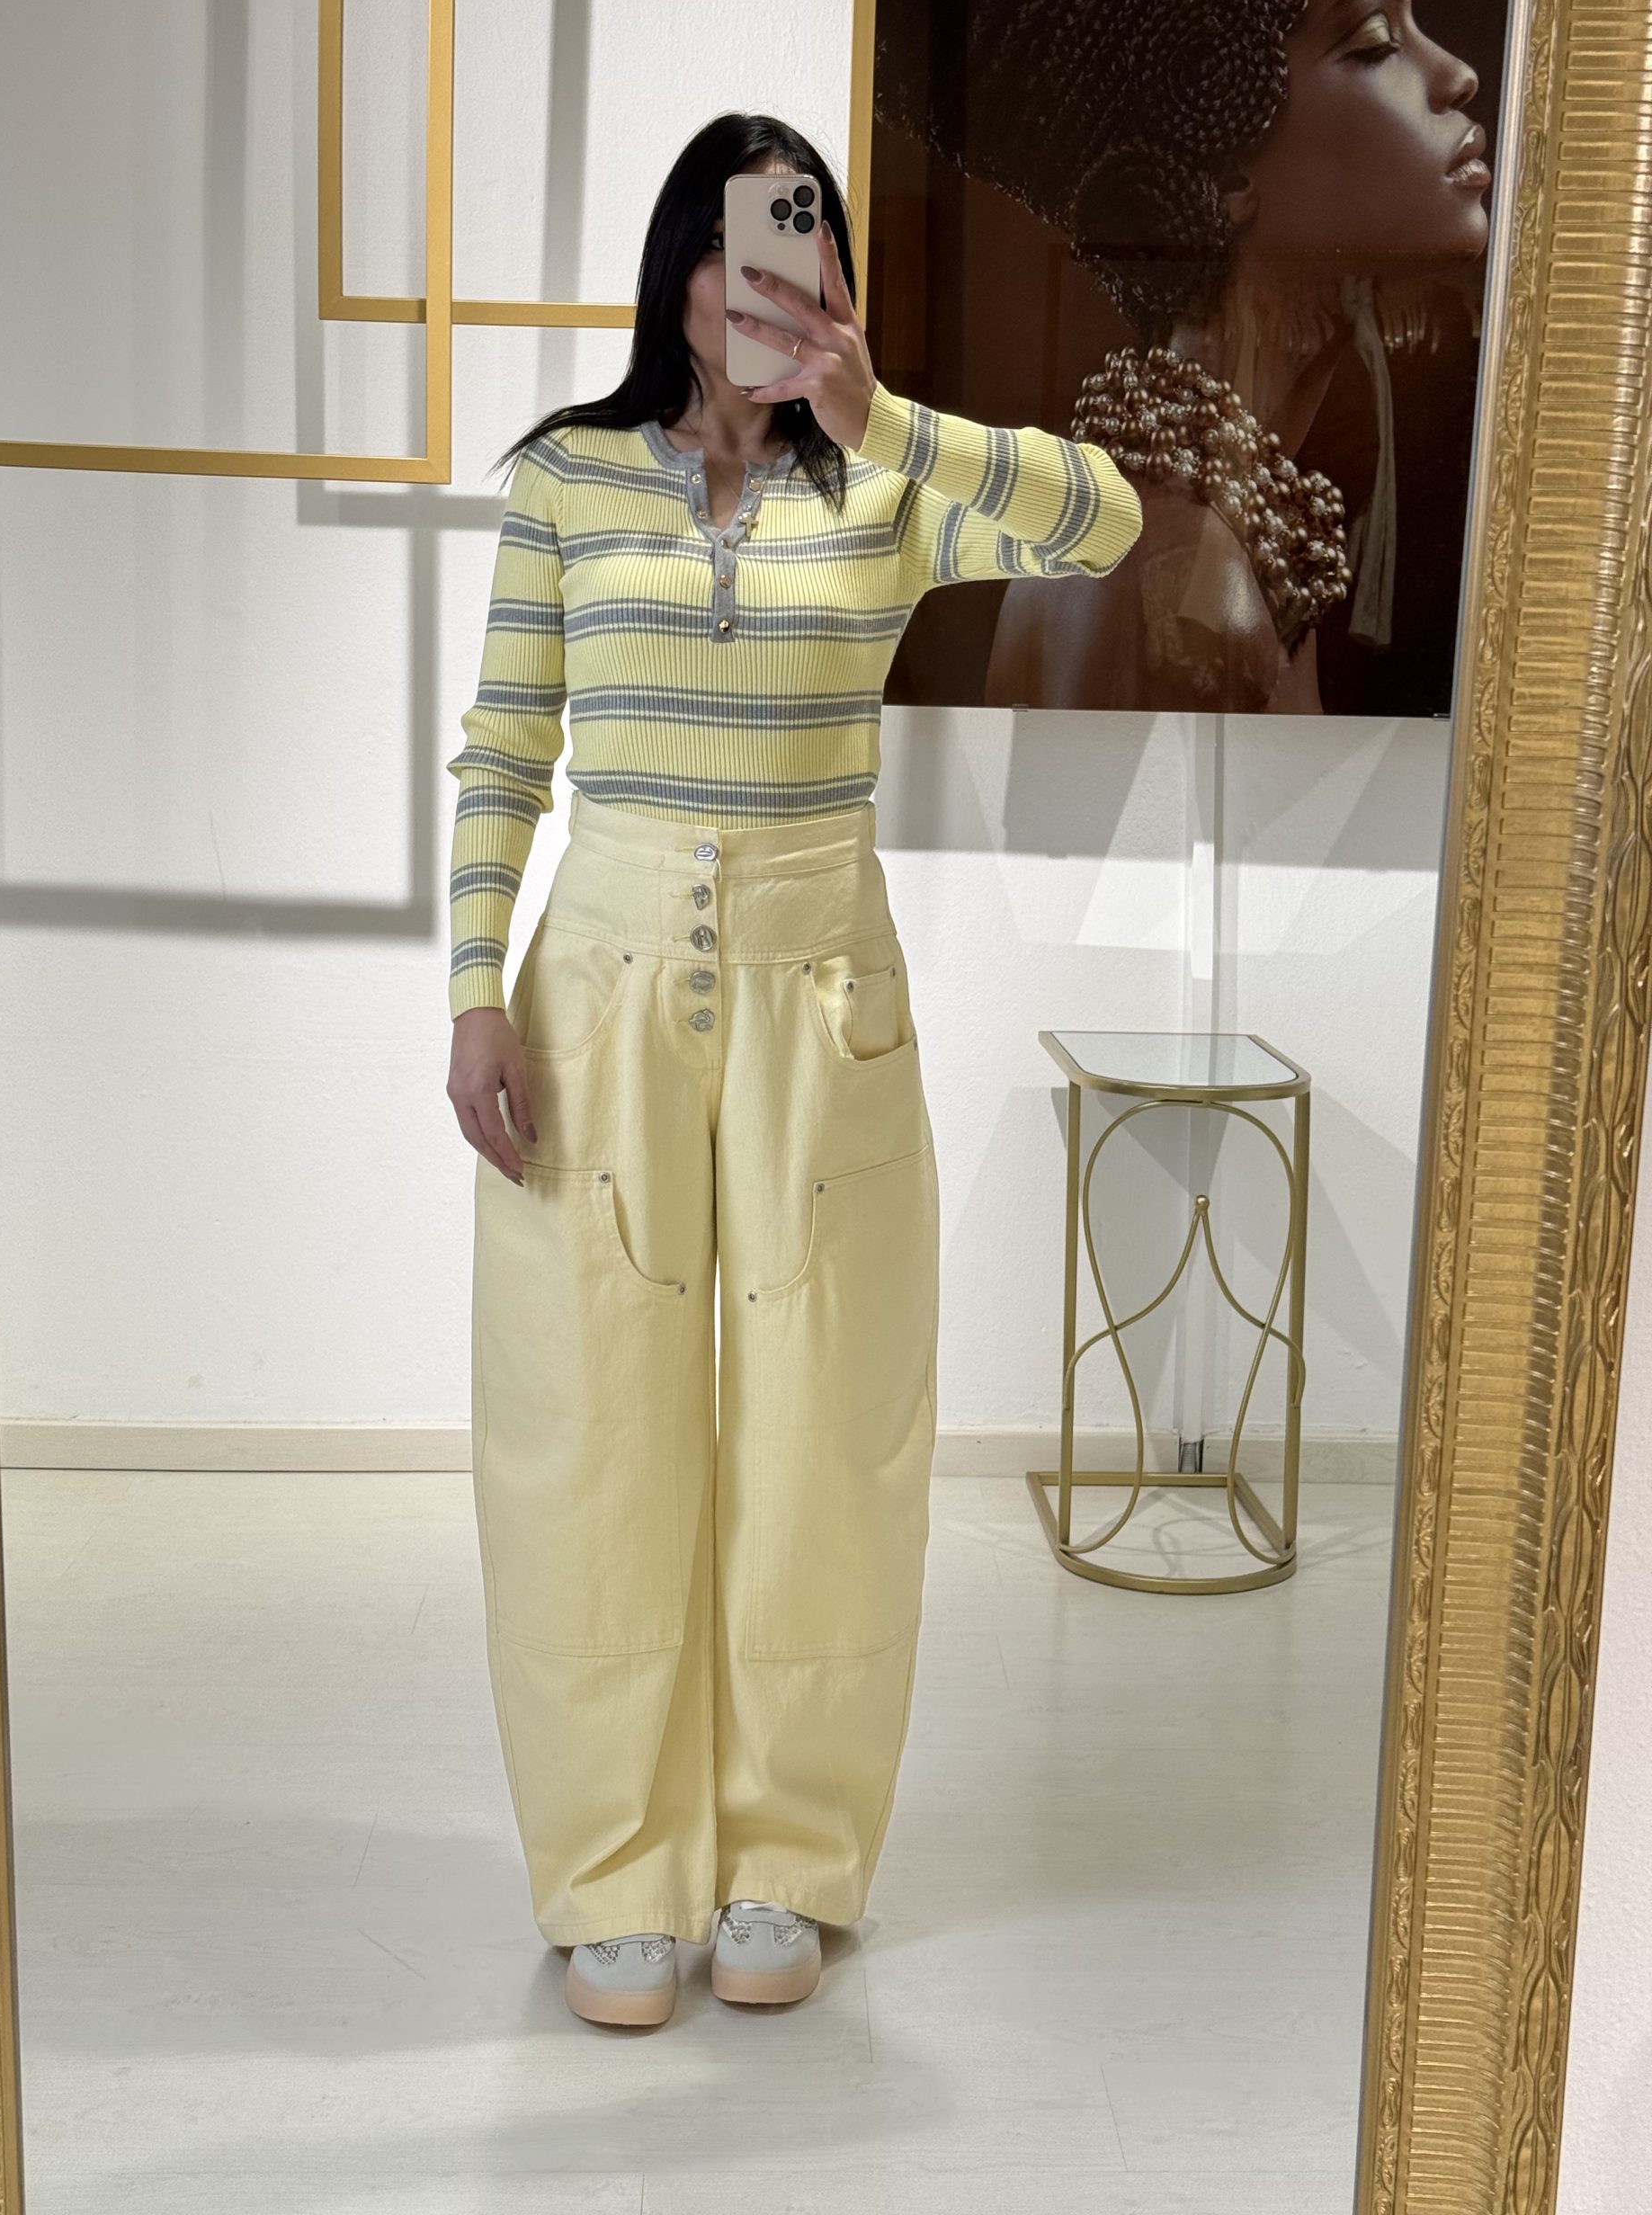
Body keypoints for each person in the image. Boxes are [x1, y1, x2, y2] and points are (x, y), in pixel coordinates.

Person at [443, 112, 1142, 2029]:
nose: (774, 282)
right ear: (681, 268)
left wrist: (884, 412)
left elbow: (1104, 522)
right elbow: (505, 746)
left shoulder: (889, 483)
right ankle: (613, 1867)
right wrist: (475, 988)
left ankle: (786, 1858)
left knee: (824, 1426)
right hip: (598, 987)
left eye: (805, 247)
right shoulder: (568, 481)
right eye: (744, 249)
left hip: (823, 990)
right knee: (592, 1424)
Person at [874, 0, 1490, 713]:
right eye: (1375, 40)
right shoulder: (1185, 587)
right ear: (1228, 169)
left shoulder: (1209, 545)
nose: (1457, 76)